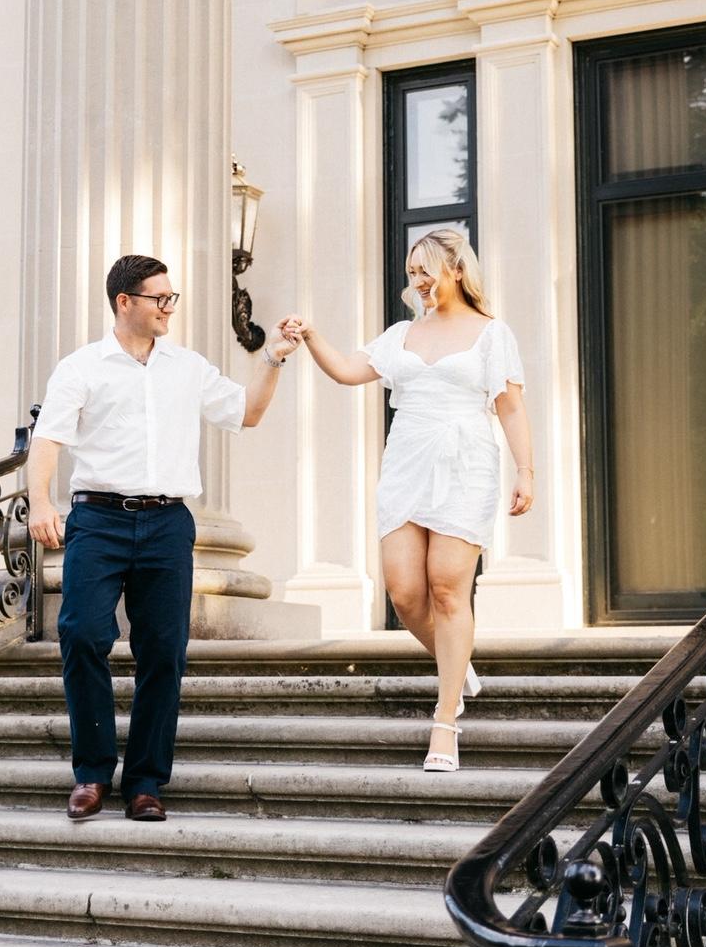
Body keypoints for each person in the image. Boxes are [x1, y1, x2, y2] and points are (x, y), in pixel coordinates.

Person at [27, 255, 301, 821]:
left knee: (164, 651)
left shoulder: (188, 367)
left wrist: (272, 357)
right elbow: (47, 440)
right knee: (81, 634)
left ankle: (146, 782)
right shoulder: (81, 367)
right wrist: (39, 503)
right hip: (98, 521)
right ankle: (92, 772)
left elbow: (247, 413)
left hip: (167, 524)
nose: (169, 308)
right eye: (160, 298)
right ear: (124, 302)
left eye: (172, 298)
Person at [282, 228, 533, 773]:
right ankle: (456, 665)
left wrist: (526, 471)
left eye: (426, 271)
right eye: (411, 273)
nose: (417, 281)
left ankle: (445, 720)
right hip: (406, 463)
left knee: (447, 587)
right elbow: (348, 371)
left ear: (457, 270)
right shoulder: (401, 334)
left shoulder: (492, 334)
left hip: (465, 463)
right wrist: (312, 335)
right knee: (405, 593)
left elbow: (510, 407)